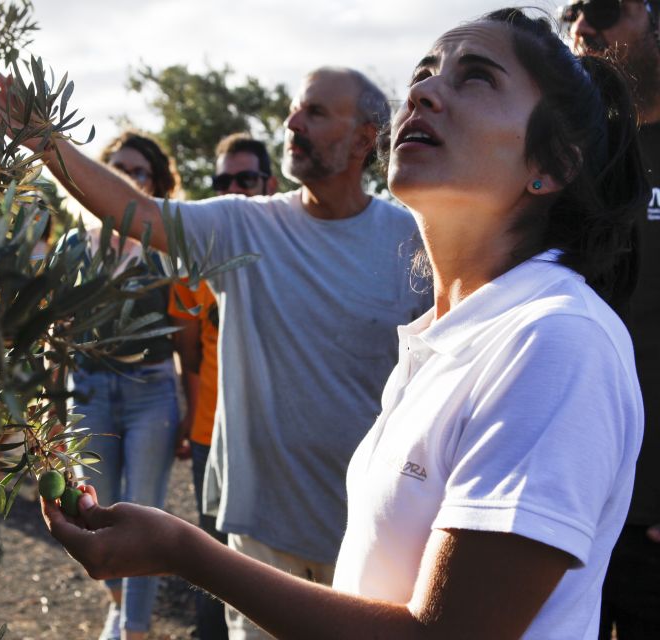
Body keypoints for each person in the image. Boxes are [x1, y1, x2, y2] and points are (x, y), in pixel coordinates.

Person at [40, 8, 650, 639]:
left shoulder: (556, 342)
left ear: (552, 165)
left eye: (475, 79)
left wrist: (184, 551)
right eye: (423, 73)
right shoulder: (447, 340)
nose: (421, 92)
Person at [0, 60, 432, 638]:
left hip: (369, 534)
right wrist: (45, 140)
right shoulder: (246, 226)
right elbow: (136, 213)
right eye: (295, 107)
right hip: (260, 537)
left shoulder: (411, 243)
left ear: (367, 137)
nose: (292, 121)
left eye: (315, 112)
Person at [62, 131, 183, 640]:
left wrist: (190, 412)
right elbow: (58, 333)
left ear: (154, 186)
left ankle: (132, 630)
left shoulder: (164, 250)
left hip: (150, 393)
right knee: (96, 510)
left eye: (138, 173)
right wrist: (50, 413)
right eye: (115, 169)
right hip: (86, 391)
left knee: (146, 513)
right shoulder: (73, 246)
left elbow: (188, 337)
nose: (125, 180)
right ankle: (118, 602)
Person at [563, 1, 660, 637]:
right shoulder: (561, 159)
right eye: (569, 10)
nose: (581, 24)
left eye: (601, 5)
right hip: (560, 508)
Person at [169, 133, 278, 640]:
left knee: (276, 565)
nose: (234, 189)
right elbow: (188, 349)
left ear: (270, 183)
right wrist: (193, 423)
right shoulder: (199, 257)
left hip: (281, 434)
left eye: (246, 179)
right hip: (212, 430)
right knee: (212, 559)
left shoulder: (292, 248)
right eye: (223, 181)